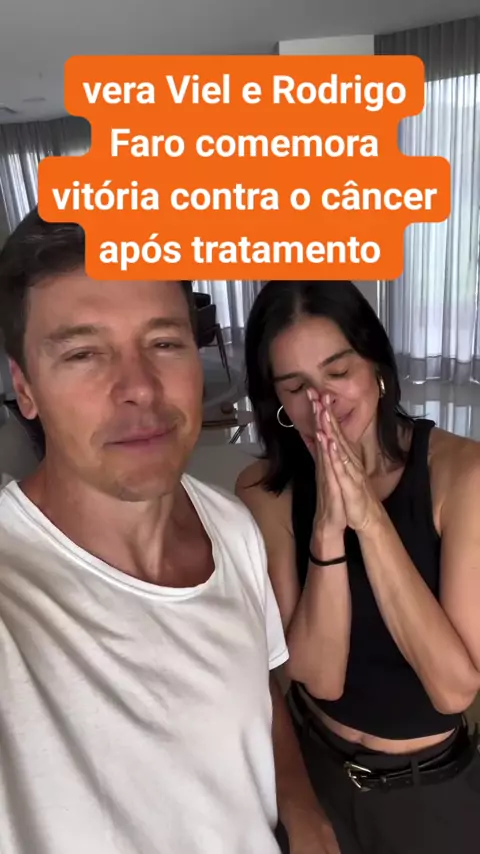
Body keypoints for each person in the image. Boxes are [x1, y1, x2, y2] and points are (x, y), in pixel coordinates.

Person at [0, 213, 340, 854]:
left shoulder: (232, 527)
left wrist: (300, 804)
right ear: (26, 389)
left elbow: (258, 685)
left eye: (163, 342)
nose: (139, 387)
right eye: (83, 353)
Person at [236, 280, 480, 854]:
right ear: (276, 401)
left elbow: (453, 689)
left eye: (338, 371)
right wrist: (327, 526)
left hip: (428, 789)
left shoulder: (463, 476)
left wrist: (370, 520)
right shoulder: (264, 490)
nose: (321, 402)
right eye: (296, 386)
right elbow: (319, 677)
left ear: (376, 366)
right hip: (313, 774)